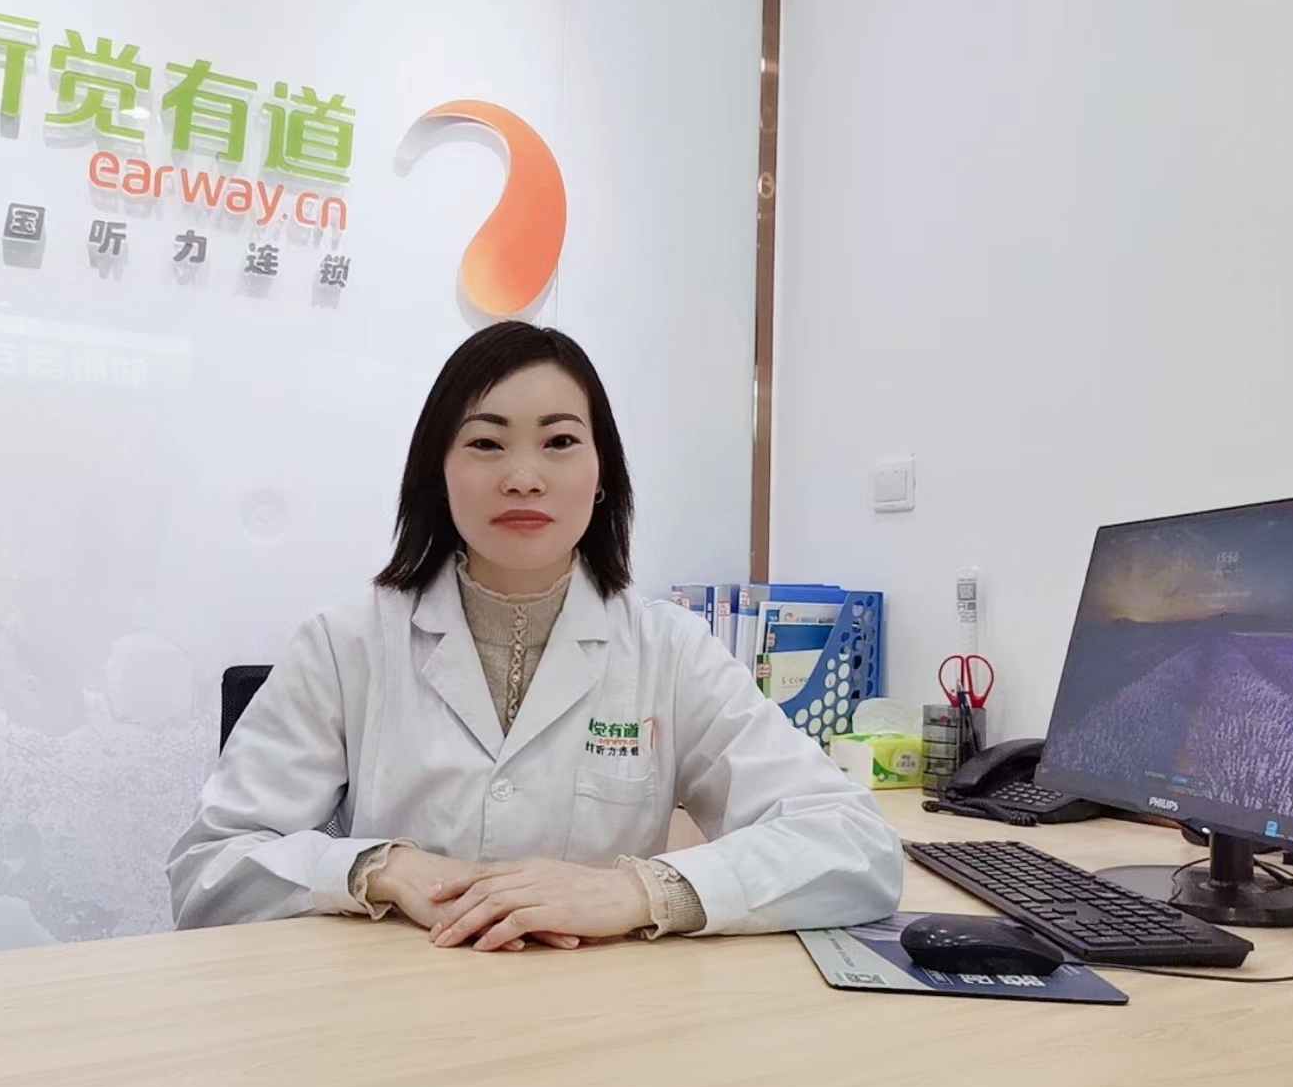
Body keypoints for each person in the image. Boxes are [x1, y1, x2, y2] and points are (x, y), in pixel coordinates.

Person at [167, 322, 902, 951]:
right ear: (438, 474)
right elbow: (209, 870)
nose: (523, 477)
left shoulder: (668, 650)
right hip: (392, 1013)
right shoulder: (346, 643)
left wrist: (645, 891)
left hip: (598, 1016)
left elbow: (854, 844)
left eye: (559, 441)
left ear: (602, 475)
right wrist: (374, 868)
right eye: (487, 444)